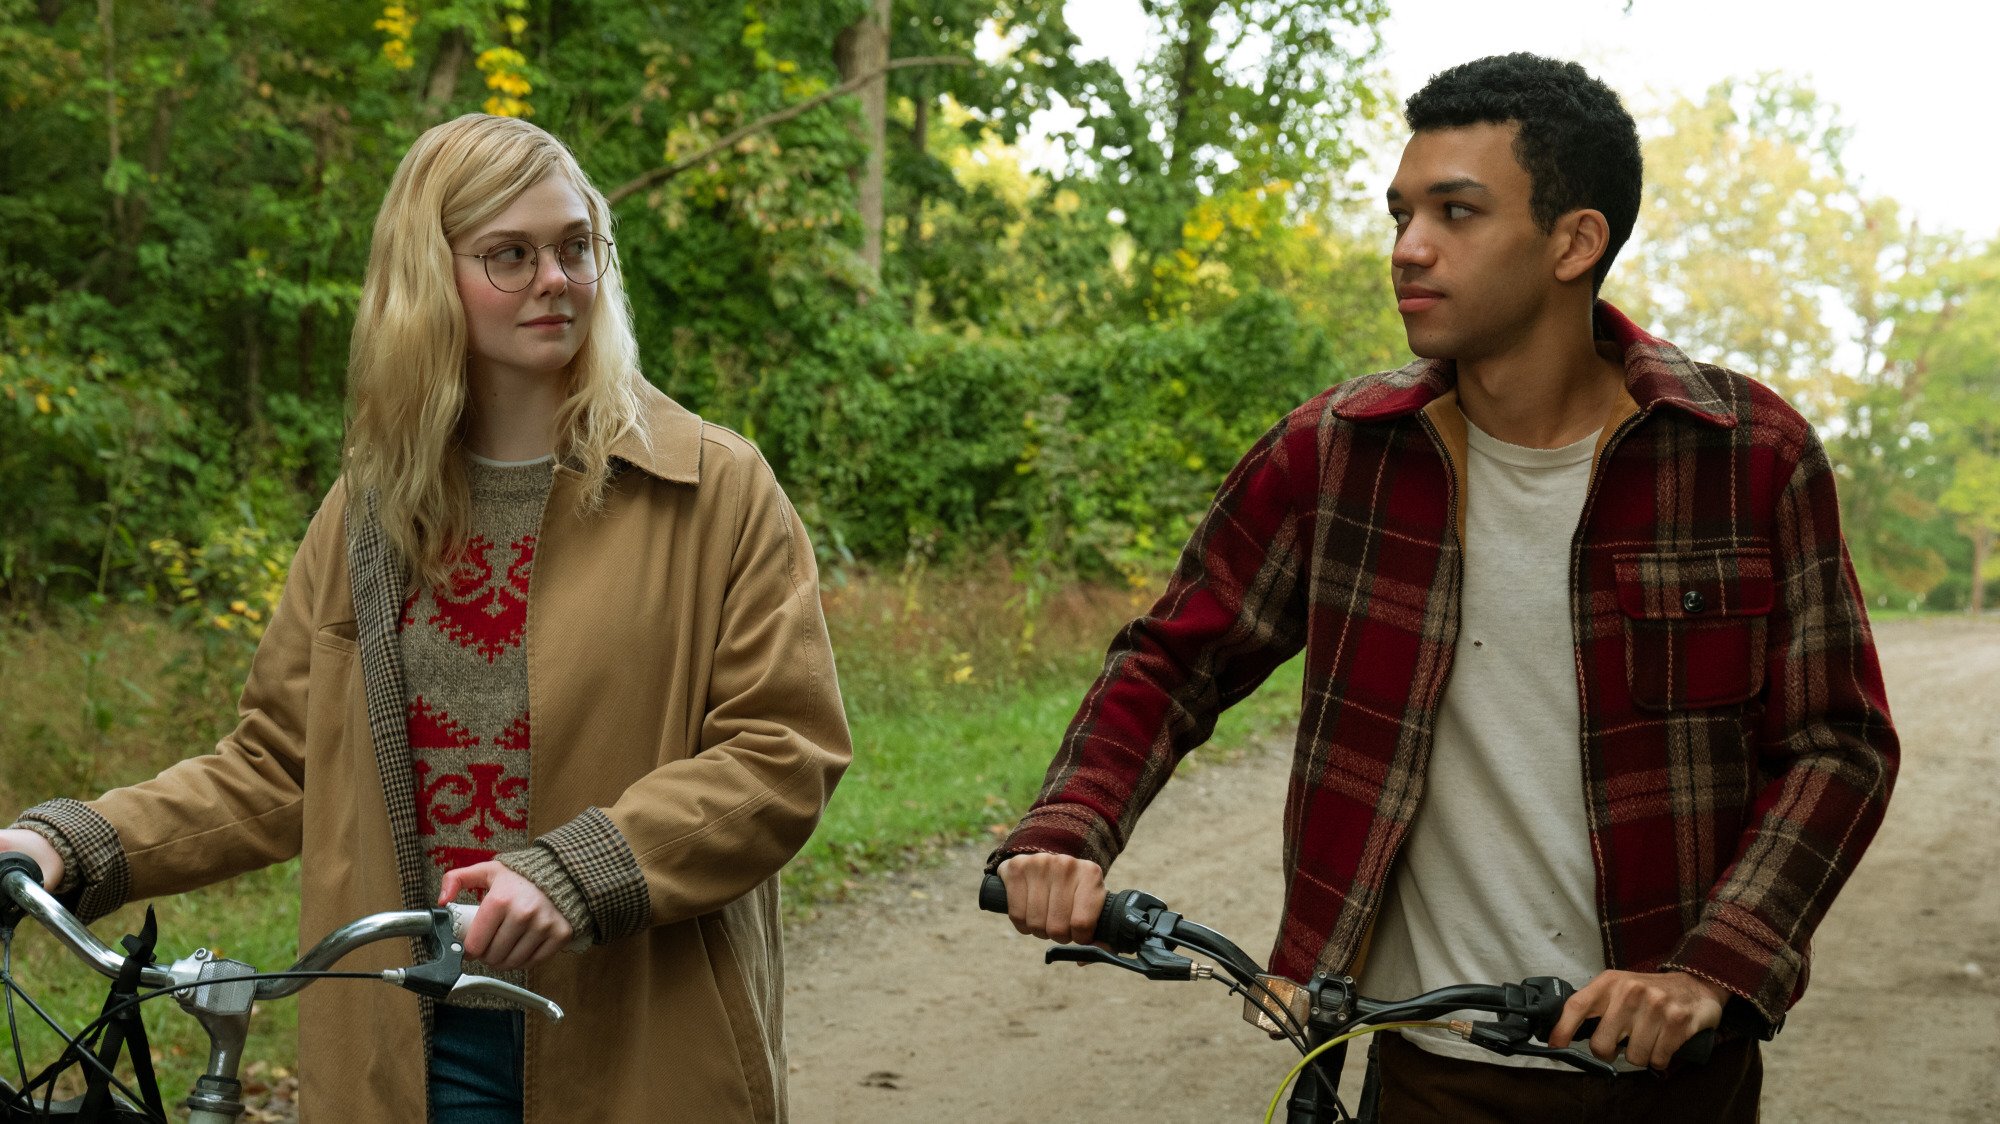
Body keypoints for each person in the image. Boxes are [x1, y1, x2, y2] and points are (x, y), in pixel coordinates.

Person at [990, 53, 1896, 1122]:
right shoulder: (1335, 451)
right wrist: (1065, 828)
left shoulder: (1745, 455)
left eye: (1454, 212)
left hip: (1662, 1080)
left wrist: (1707, 967)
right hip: (1419, 1071)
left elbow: (1837, 744)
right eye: (1400, 212)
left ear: (1573, 241)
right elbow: (1174, 655)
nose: (1406, 247)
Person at [0, 114, 850, 1123]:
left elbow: (780, 752)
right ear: (426, 275)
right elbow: (280, 765)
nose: (556, 278)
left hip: (634, 1044)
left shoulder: (712, 487)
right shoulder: (372, 509)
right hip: (399, 1048)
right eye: (510, 254)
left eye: (576, 245)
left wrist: (577, 873)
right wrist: (70, 842)